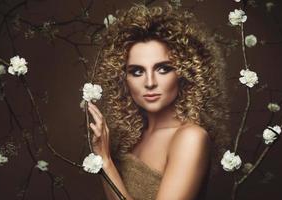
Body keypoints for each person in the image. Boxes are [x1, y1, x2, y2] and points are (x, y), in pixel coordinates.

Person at [88, 3, 230, 200]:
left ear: (184, 73)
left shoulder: (190, 138)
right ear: (123, 78)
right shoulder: (130, 139)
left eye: (163, 69)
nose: (150, 83)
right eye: (137, 71)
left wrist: (105, 161)